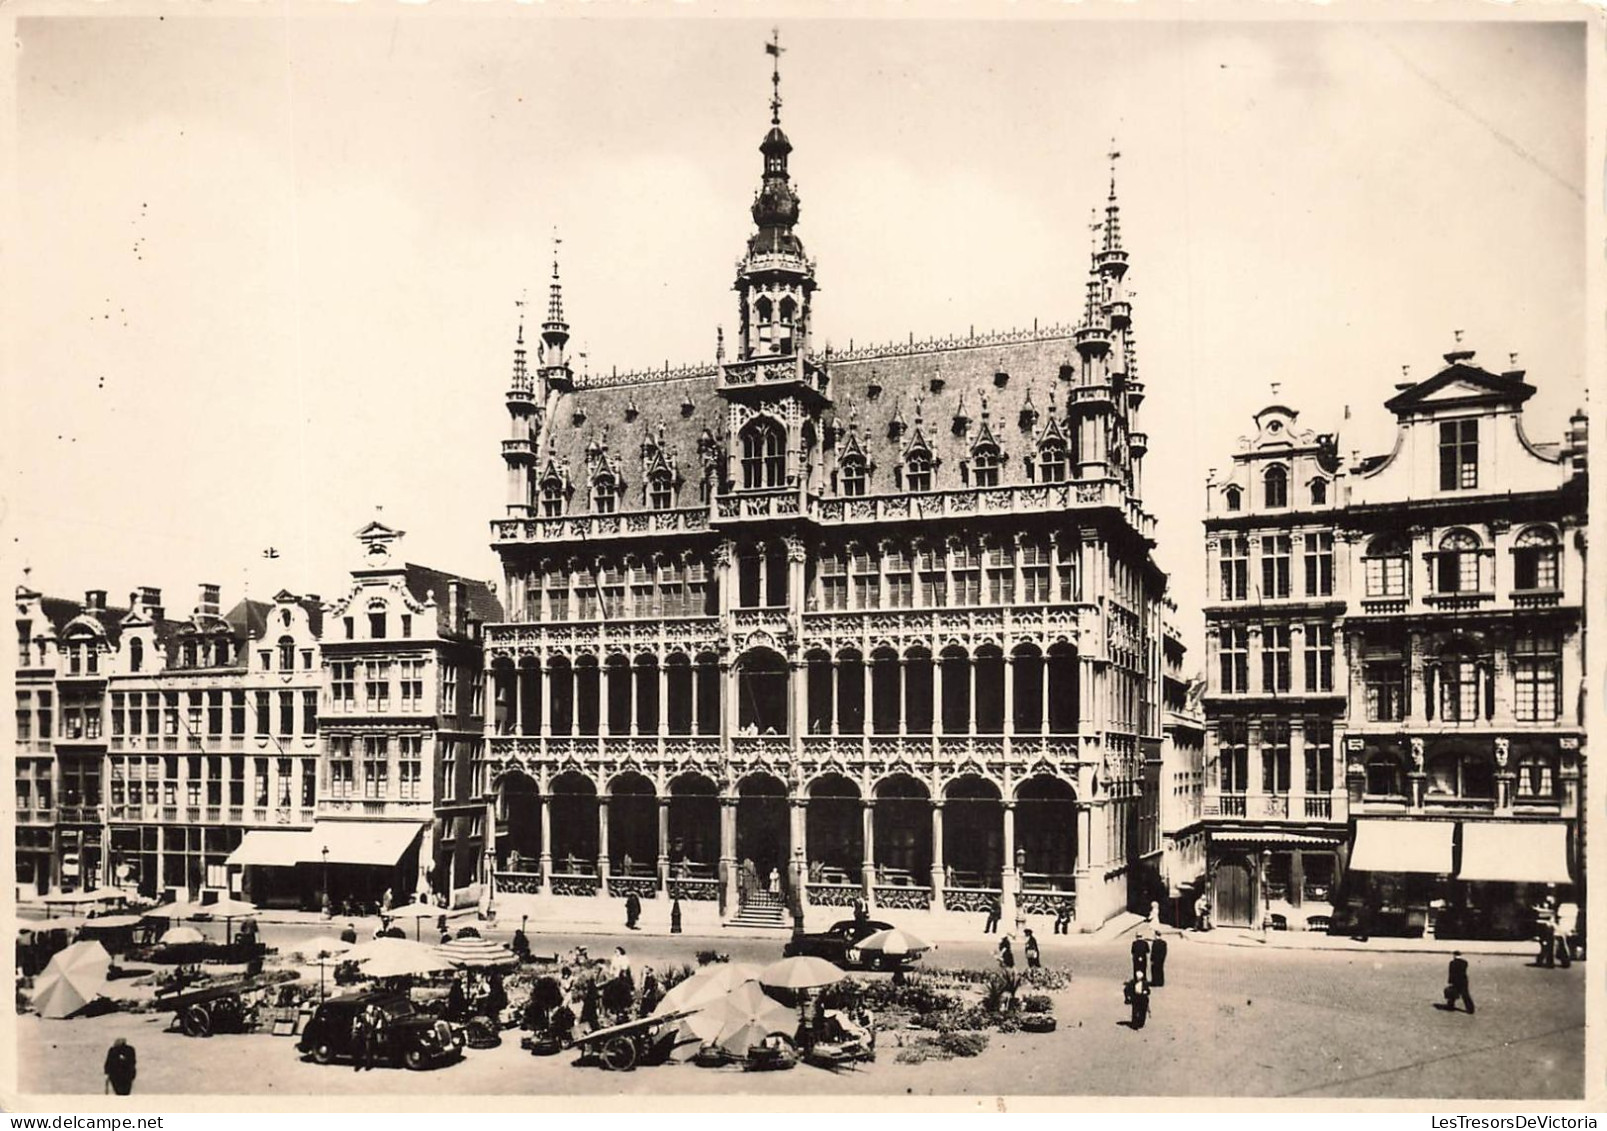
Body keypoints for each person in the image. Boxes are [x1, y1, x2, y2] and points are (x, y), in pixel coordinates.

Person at [1556, 900, 1579, 968]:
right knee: (1564, 940)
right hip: (1569, 917)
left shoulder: (1563, 907)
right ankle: (1566, 958)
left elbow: (1559, 915)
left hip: (1564, 917)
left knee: (1562, 939)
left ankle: (1565, 958)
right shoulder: (1573, 907)